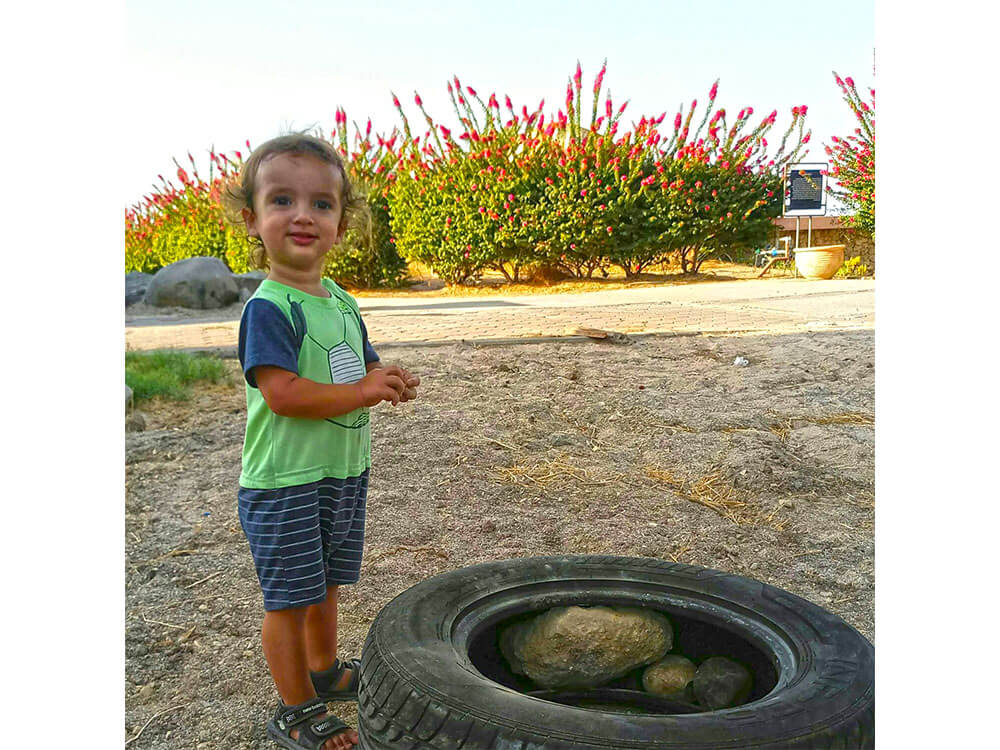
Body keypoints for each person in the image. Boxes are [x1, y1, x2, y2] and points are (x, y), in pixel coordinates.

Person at [224, 132, 419, 750]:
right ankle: (295, 708)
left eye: (322, 203)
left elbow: (362, 363)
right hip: (284, 481)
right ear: (252, 220)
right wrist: (362, 391)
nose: (303, 215)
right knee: (288, 599)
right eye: (282, 200)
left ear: (340, 224)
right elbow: (282, 393)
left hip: (339, 471)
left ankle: (325, 669)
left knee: (327, 584)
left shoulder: (340, 300)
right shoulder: (269, 309)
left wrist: (385, 377)